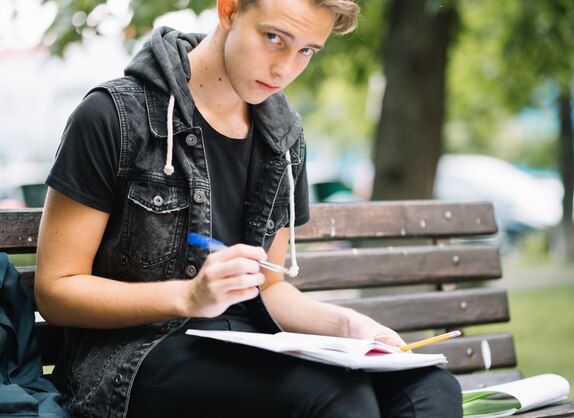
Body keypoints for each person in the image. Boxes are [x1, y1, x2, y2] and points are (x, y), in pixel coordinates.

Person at [35, 0, 463, 417]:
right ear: (229, 9)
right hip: (131, 363)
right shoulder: (114, 115)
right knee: (333, 396)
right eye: (274, 37)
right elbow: (56, 290)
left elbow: (270, 287)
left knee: (429, 386)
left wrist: (348, 328)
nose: (286, 68)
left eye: (306, 51)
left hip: (252, 349)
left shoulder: (284, 140)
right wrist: (188, 296)